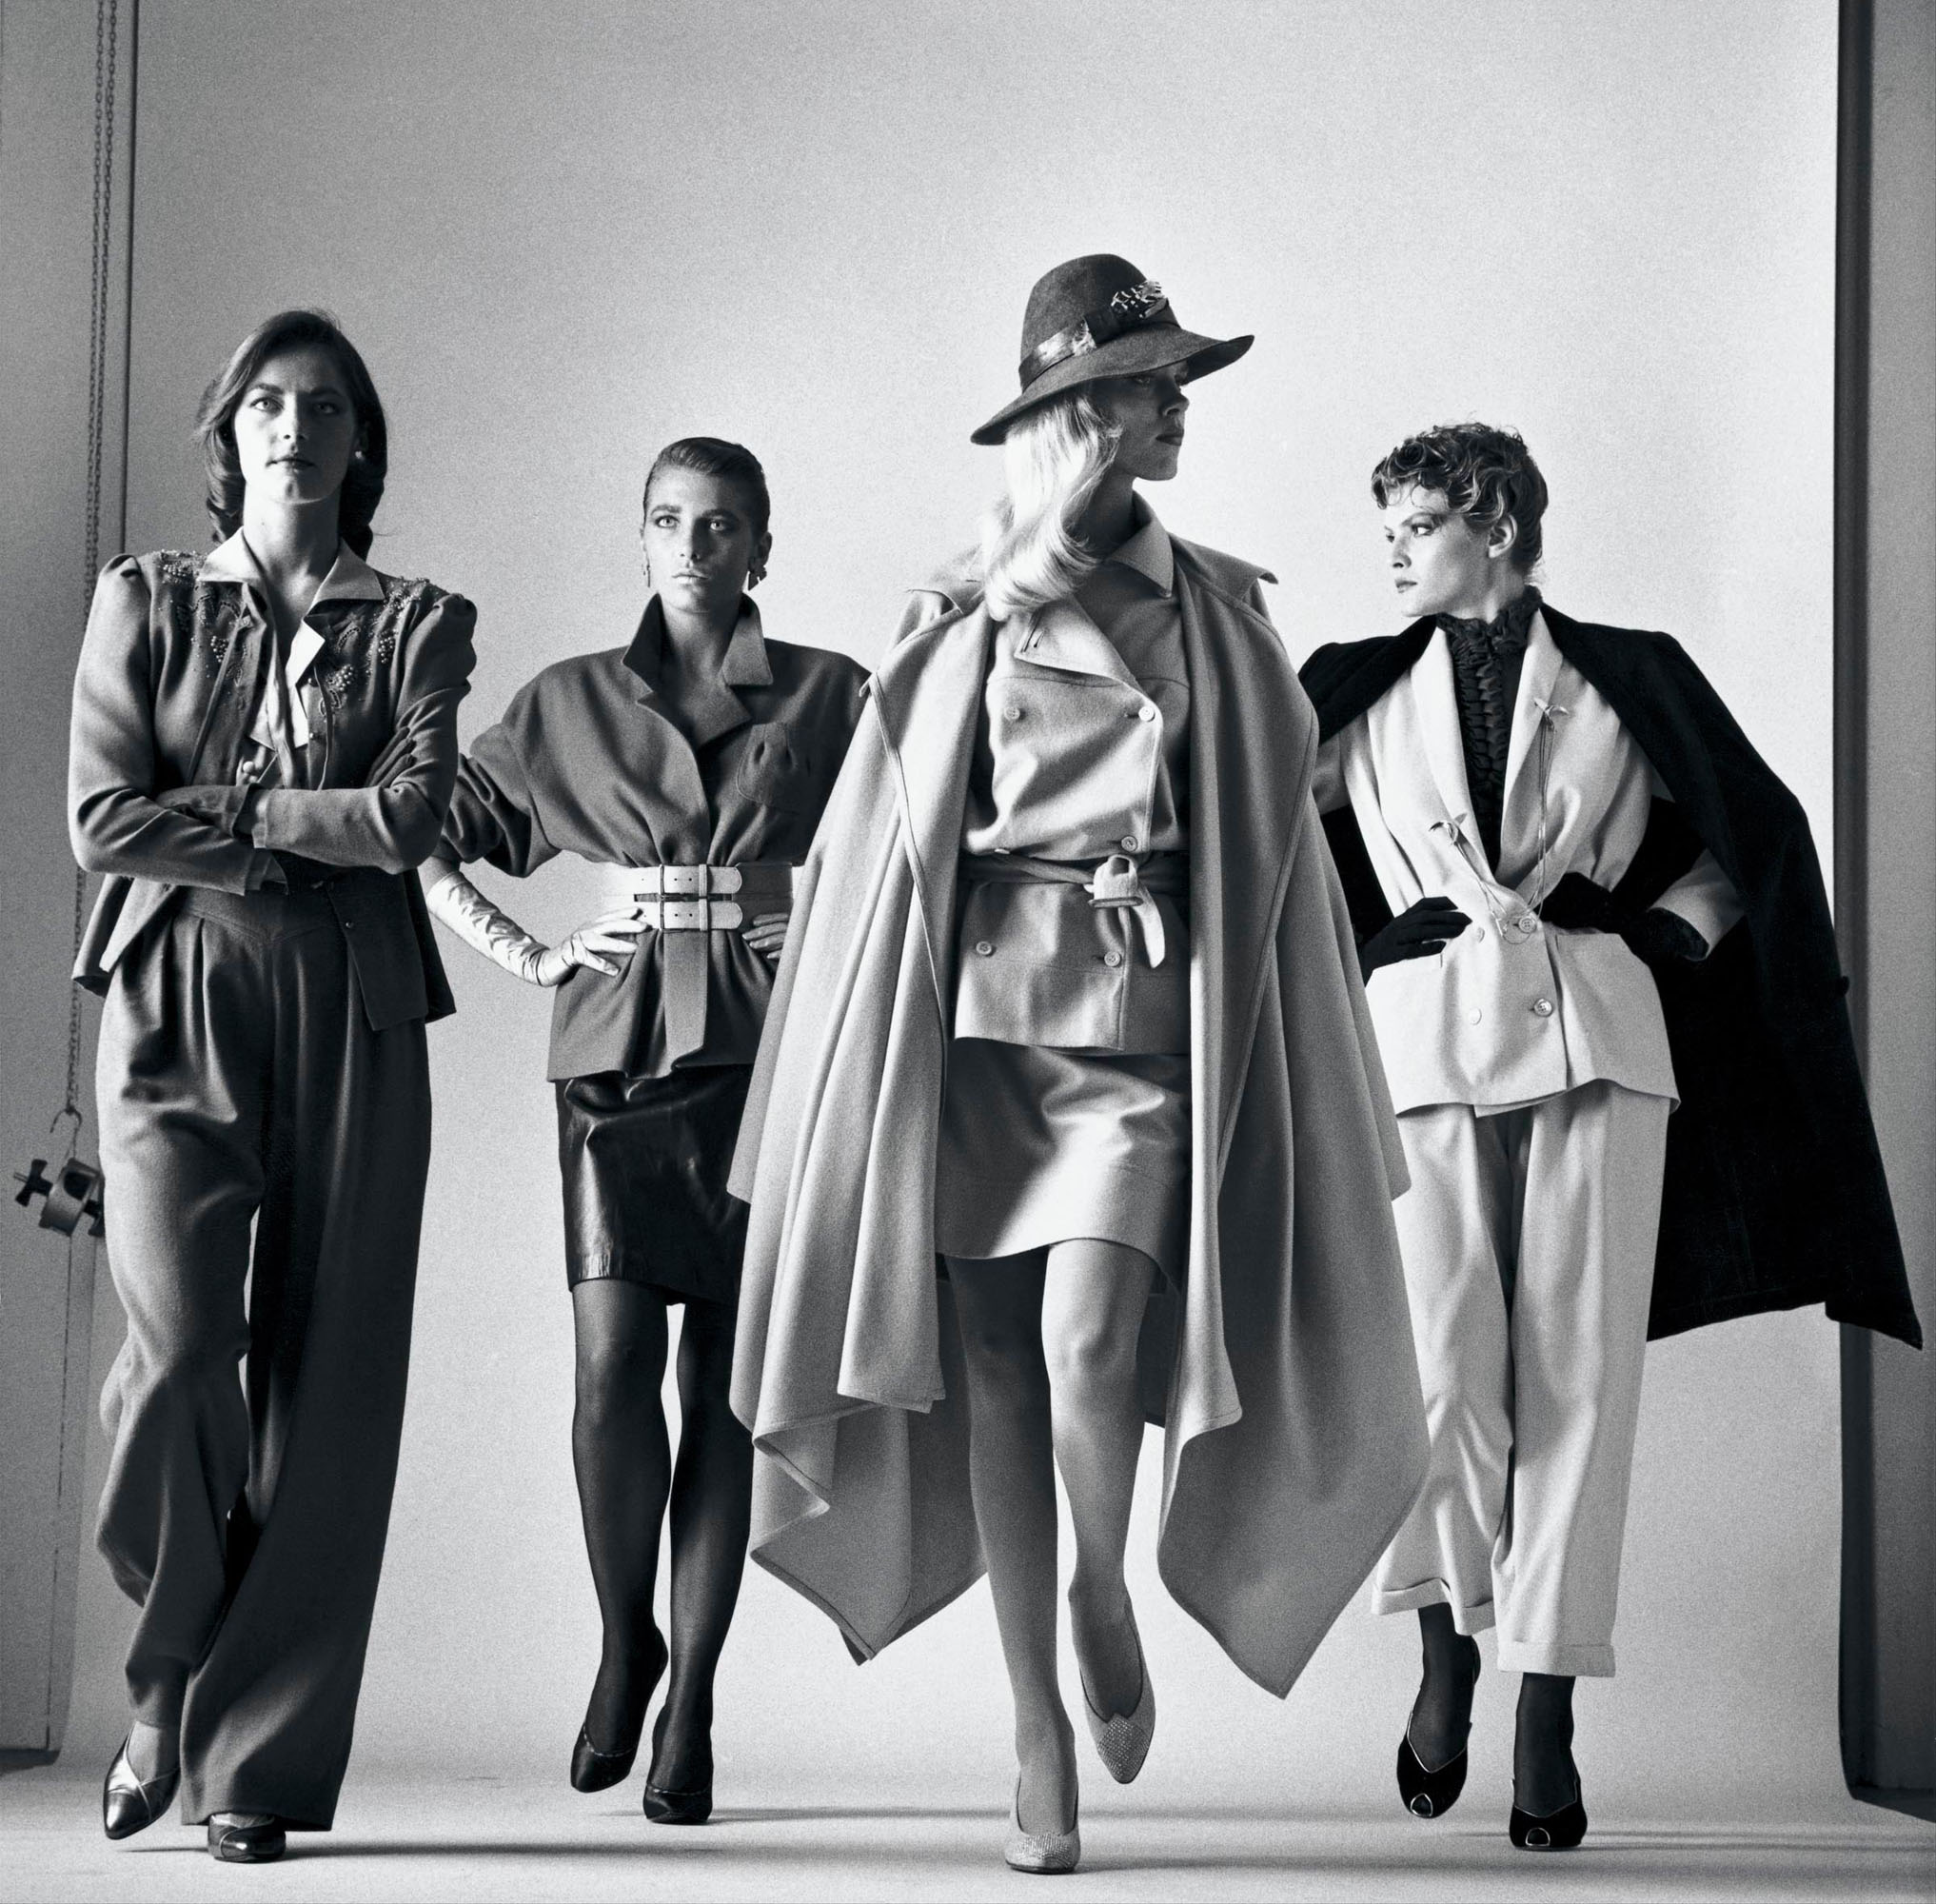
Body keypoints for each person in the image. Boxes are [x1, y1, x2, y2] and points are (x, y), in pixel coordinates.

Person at [727, 255, 1428, 1874]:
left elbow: (1270, 848)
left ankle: (1102, 1588)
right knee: (994, 1372)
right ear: (1078, 409)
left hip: (1143, 1026)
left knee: (1094, 1339)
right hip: (977, 1032)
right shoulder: (958, 611)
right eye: (1153, 377)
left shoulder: (1220, 612)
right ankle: (1035, 1730)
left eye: (1179, 377)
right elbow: (884, 850)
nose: (1180, 403)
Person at [1300, 421, 1920, 1851]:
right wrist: (1360, 946)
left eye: (1417, 524)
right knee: (1438, 1373)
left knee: (1579, 1380)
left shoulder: (1628, 673)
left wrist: (1662, 933)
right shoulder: (1349, 690)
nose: (1393, 551)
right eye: (1387, 528)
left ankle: (1546, 1697)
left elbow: (1747, 845)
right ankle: (1445, 1645)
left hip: (1598, 1038)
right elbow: (1257, 846)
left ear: (1497, 524)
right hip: (1420, 1049)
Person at [69, 309, 477, 1864]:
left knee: (334, 1390)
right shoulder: (145, 600)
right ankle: (168, 1672)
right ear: (227, 433)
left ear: (360, 443)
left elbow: (415, 813)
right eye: (264, 404)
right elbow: (104, 819)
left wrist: (230, 809)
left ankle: (258, 1764)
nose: (292, 427)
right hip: (176, 991)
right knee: (181, 1352)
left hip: (357, 1005)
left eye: (322, 406)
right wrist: (302, 822)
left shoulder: (420, 622)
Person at [424, 438, 867, 1824]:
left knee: (725, 1390)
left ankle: (698, 1698)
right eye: (668, 520)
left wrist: (824, 931)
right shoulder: (565, 701)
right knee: (613, 1369)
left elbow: (914, 854)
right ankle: (629, 1645)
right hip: (612, 1063)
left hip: (768, 1063)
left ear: (761, 547)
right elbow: (419, 828)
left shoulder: (832, 691)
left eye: (721, 524)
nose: (692, 545)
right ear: (640, 537)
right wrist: (525, 949)